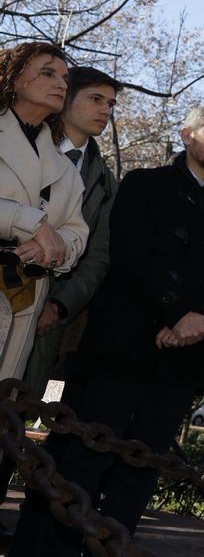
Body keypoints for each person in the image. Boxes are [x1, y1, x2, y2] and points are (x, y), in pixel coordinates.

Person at [11, 104, 204, 555]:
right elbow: (131, 256)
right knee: (83, 462)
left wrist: (198, 320)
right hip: (121, 350)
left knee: (140, 472)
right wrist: (173, 314)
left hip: (183, 359)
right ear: (187, 135)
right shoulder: (145, 185)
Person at [23, 66, 120, 398]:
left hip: (49, 322)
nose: (105, 110)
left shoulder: (106, 183)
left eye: (111, 103)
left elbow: (99, 256)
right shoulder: (19, 147)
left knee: (16, 419)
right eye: (96, 99)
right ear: (65, 98)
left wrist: (60, 307)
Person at [0, 42, 88, 382]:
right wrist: (31, 224)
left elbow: (77, 232)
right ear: (16, 77)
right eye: (48, 73)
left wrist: (52, 245)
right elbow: (38, 221)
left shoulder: (64, 166)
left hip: (26, 294)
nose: (61, 84)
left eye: (65, 78)